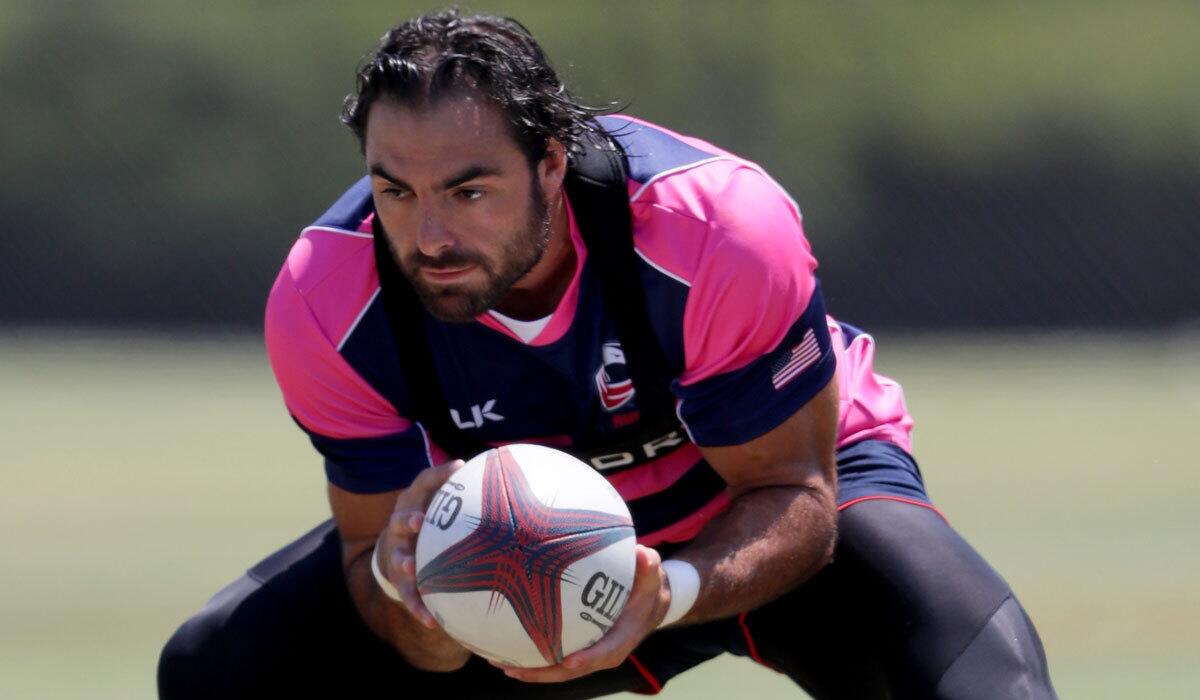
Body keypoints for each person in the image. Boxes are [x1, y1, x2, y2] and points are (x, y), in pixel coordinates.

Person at [158, 9, 1056, 699]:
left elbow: (798, 495)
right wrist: (414, 604)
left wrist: (665, 589)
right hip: (505, 550)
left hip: (756, 506)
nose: (428, 234)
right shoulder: (326, 298)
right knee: (219, 668)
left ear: (550, 163)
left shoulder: (715, 229)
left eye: (469, 190)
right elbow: (370, 558)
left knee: (987, 678)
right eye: (395, 190)